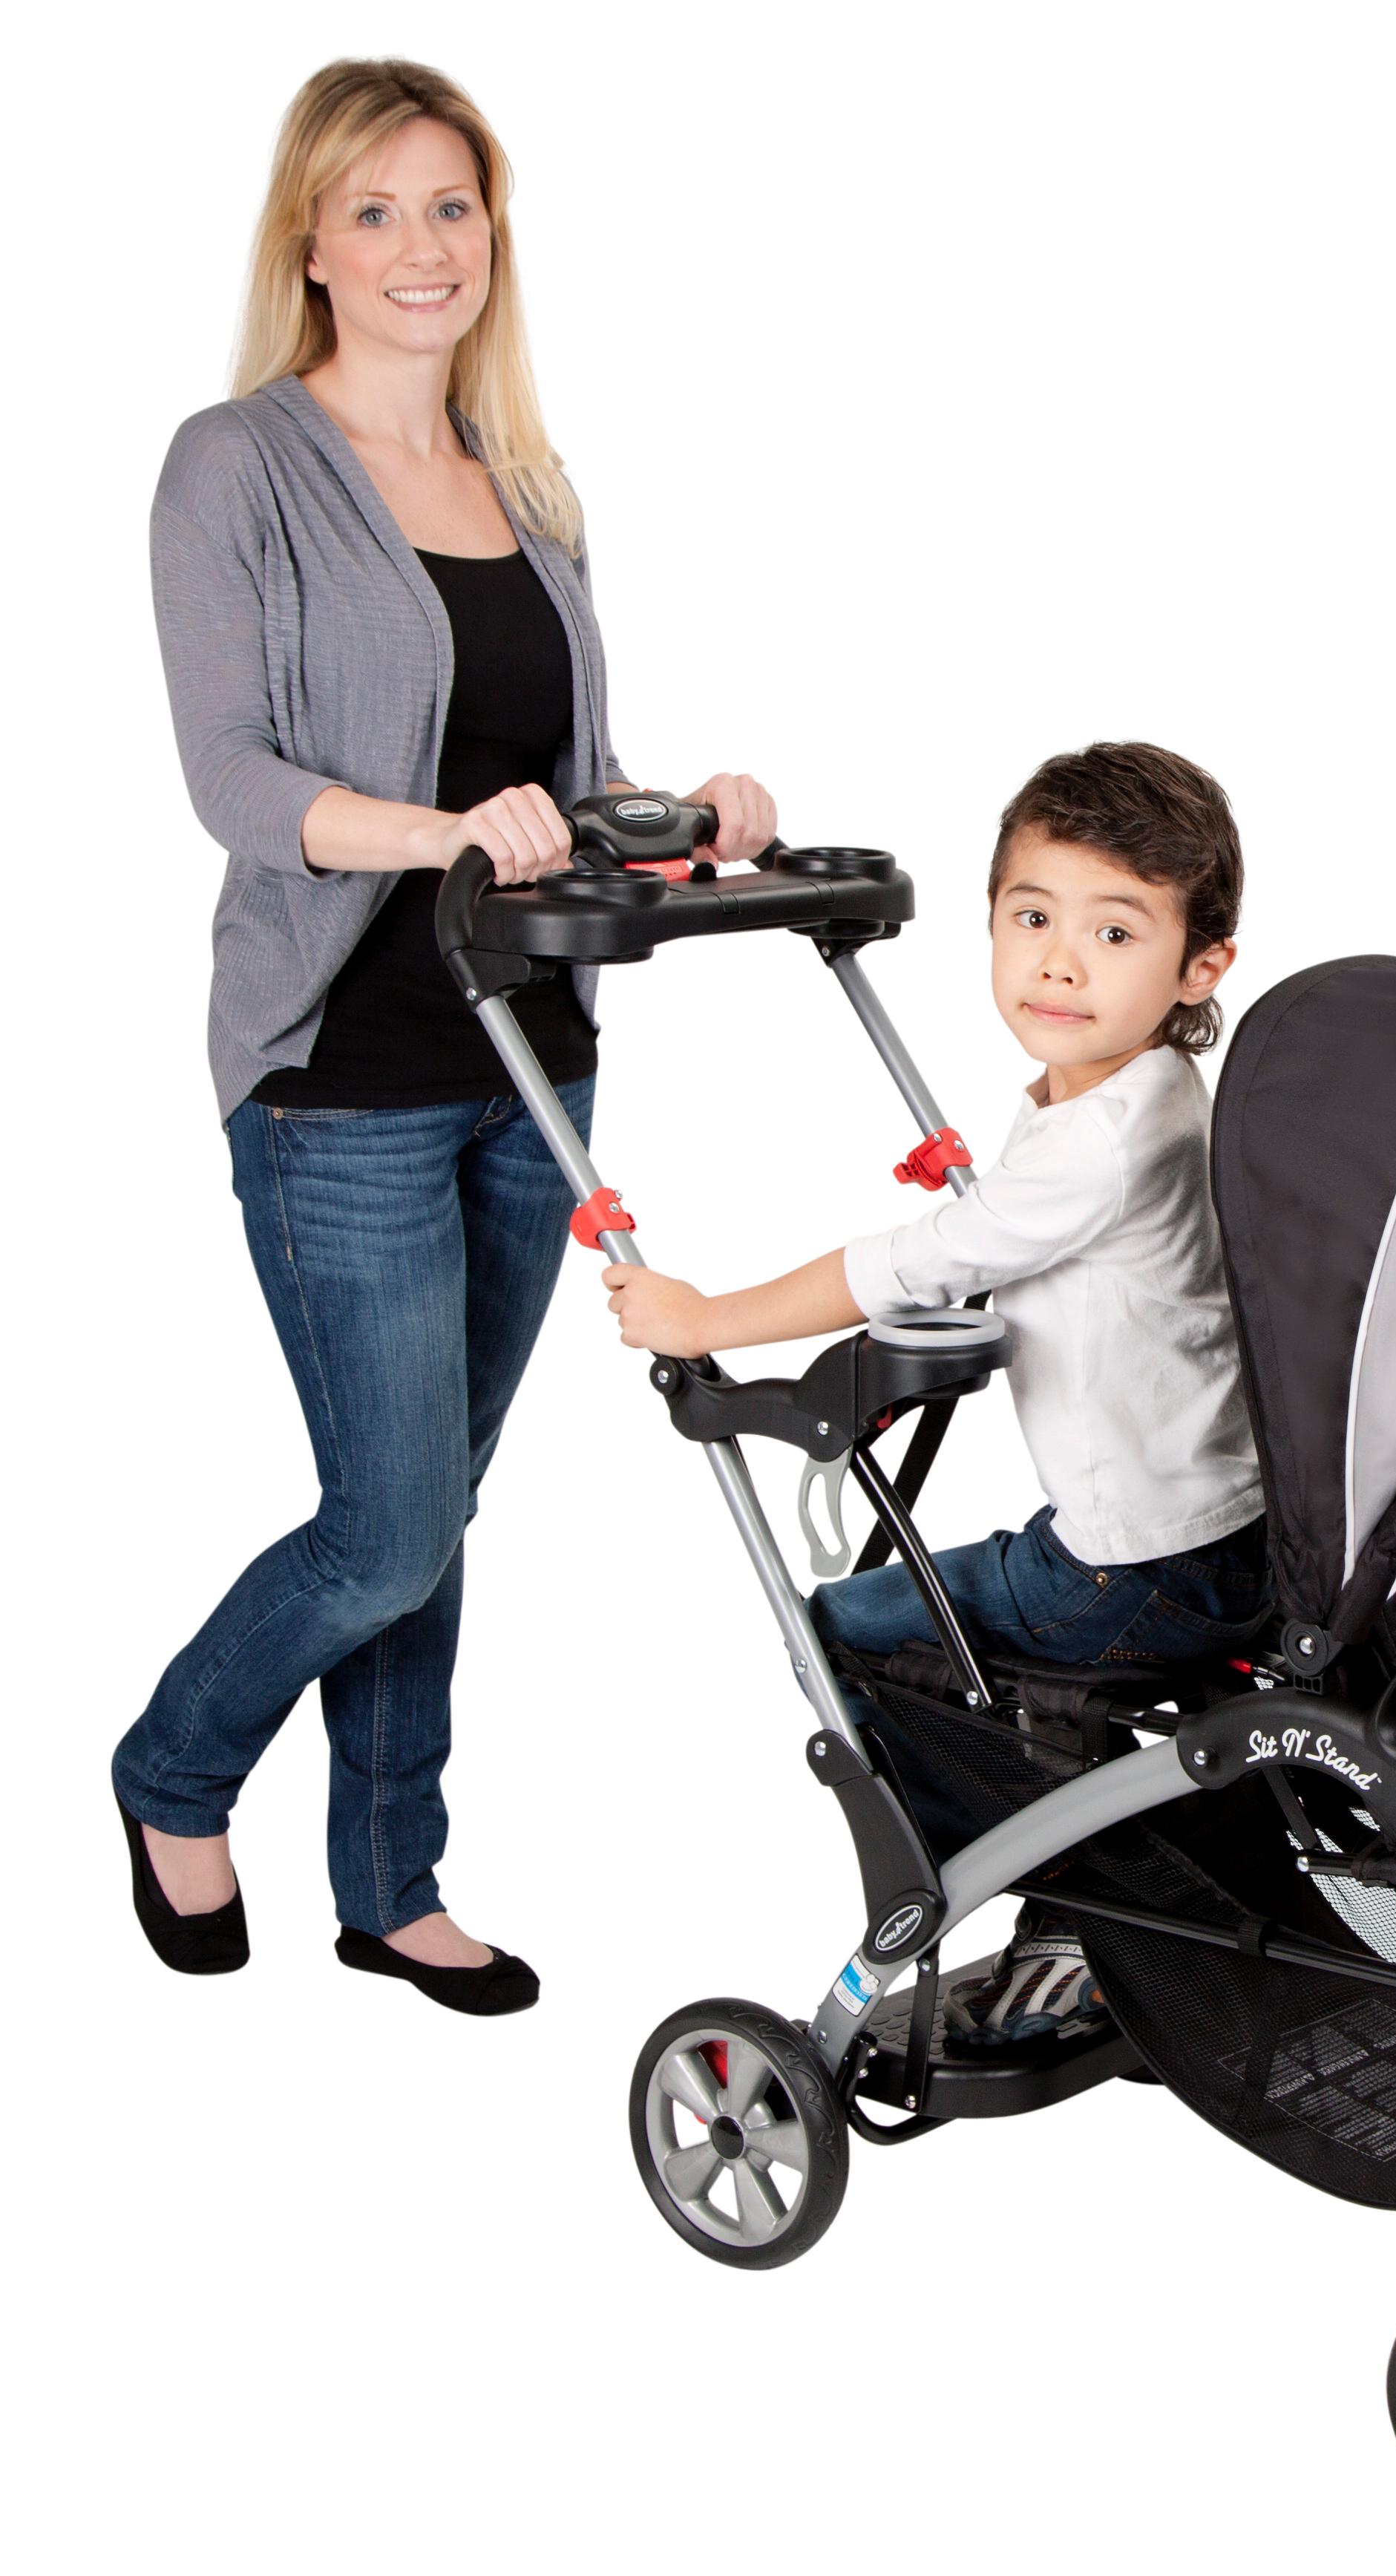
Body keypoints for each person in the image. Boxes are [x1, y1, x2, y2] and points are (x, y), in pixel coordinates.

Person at [113, 58, 779, 2016]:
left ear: (494, 236)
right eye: (378, 209)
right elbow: (234, 779)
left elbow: (564, 781)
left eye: (454, 207)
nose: (424, 247)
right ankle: (171, 1770)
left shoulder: (526, 485)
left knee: (430, 1511)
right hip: (341, 1080)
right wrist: (442, 837)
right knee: (387, 1525)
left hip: (530, 1071)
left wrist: (692, 815)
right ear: (311, 244)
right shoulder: (235, 464)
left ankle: (390, 1879)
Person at [606, 742, 1272, 2044]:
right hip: (1222, 1537)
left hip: (1129, 1560)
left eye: (1113, 932)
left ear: (1201, 967)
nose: (1059, 963)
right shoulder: (1146, 1093)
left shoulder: (1102, 1141)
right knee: (969, 1639)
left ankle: (1057, 1899)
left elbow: (911, 1260)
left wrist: (705, 1318)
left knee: (850, 1627)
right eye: (1031, 918)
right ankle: (1107, 1883)